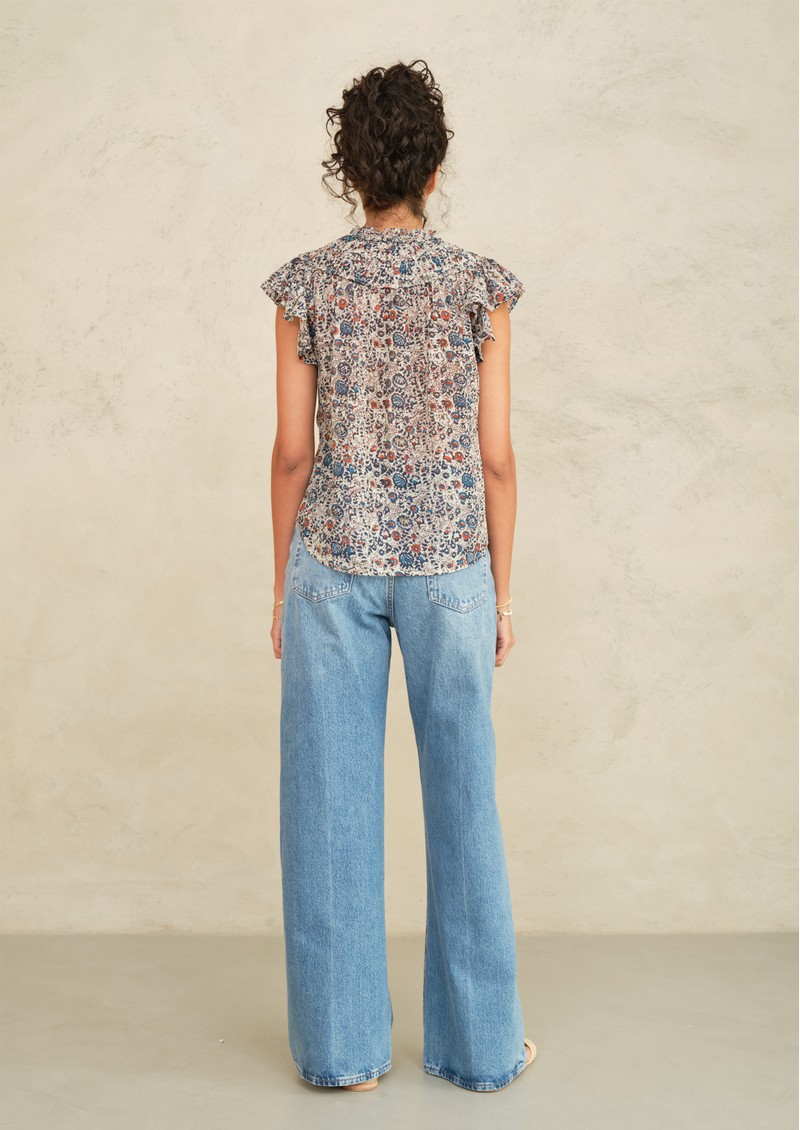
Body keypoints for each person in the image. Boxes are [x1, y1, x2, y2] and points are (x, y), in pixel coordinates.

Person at [261, 59, 536, 1094]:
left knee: (328, 807)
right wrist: (500, 593)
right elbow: (495, 457)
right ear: (434, 167)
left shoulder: (306, 285)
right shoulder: (479, 287)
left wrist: (279, 583)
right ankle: (480, 1048)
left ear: (350, 169)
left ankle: (342, 1055)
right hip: (451, 565)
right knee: (465, 801)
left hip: (332, 560)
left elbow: (292, 452)